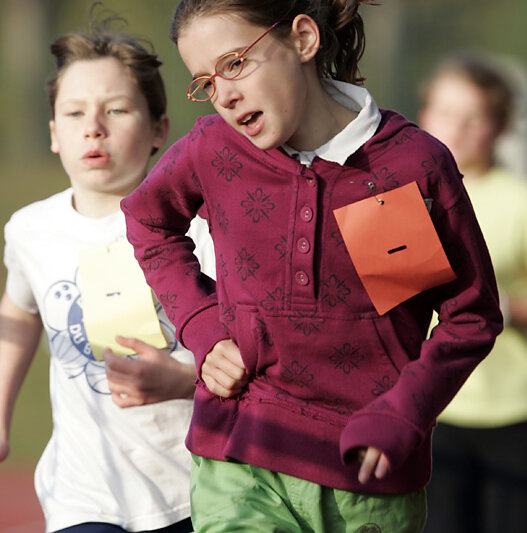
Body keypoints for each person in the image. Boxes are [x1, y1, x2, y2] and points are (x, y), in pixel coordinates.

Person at [121, 2, 503, 532]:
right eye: (206, 82)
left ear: (303, 39)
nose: (224, 95)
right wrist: (203, 326)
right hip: (239, 449)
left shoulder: (411, 165)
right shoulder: (212, 149)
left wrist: (405, 411)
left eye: (234, 64)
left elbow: (471, 317)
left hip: (368, 476)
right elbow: (148, 222)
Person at [0, 8, 215, 533]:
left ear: (160, 128)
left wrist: (184, 380)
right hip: (83, 497)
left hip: (191, 491)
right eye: (74, 113)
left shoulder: (201, 228)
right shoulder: (30, 231)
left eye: (116, 110)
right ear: (54, 133)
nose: (93, 127)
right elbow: (20, 312)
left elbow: (249, 349)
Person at [419, 53, 527, 533]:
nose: (456, 128)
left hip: (513, 413)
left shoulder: (521, 201)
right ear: (425, 114)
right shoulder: (400, 195)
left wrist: (500, 307)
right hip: (430, 405)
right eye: (446, 112)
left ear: (499, 127)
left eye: (474, 118)